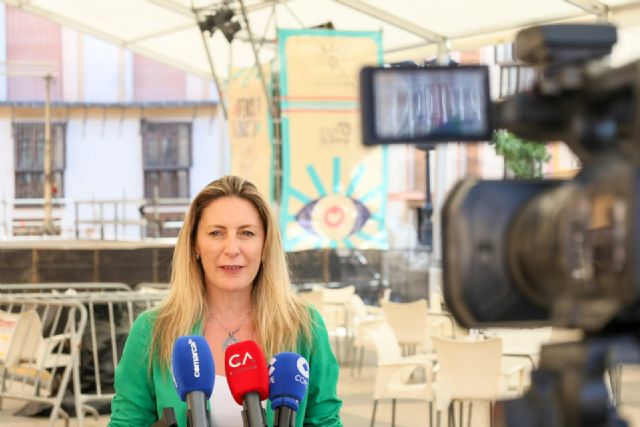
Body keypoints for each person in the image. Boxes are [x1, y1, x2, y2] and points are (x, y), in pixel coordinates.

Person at [109, 175, 343, 426]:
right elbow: (127, 421)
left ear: (265, 245)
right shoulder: (152, 329)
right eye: (216, 233)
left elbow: (325, 420)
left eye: (247, 233)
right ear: (195, 244)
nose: (232, 248)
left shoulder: (305, 326)